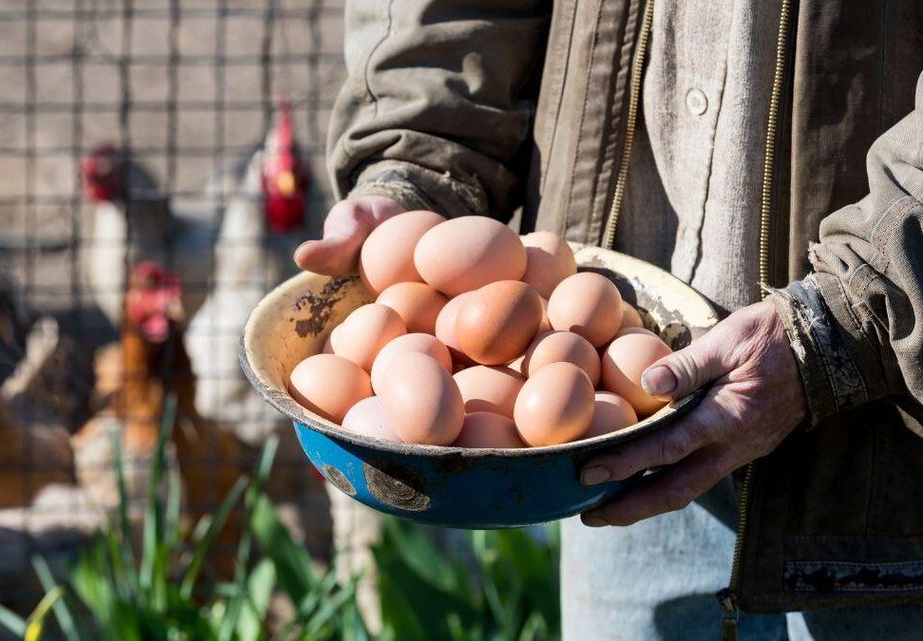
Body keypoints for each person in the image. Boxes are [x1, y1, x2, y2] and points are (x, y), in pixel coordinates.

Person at [295, 1, 923, 639]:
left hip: (887, 453)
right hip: (613, 454)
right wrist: (418, 161)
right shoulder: (569, 357)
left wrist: (852, 316)